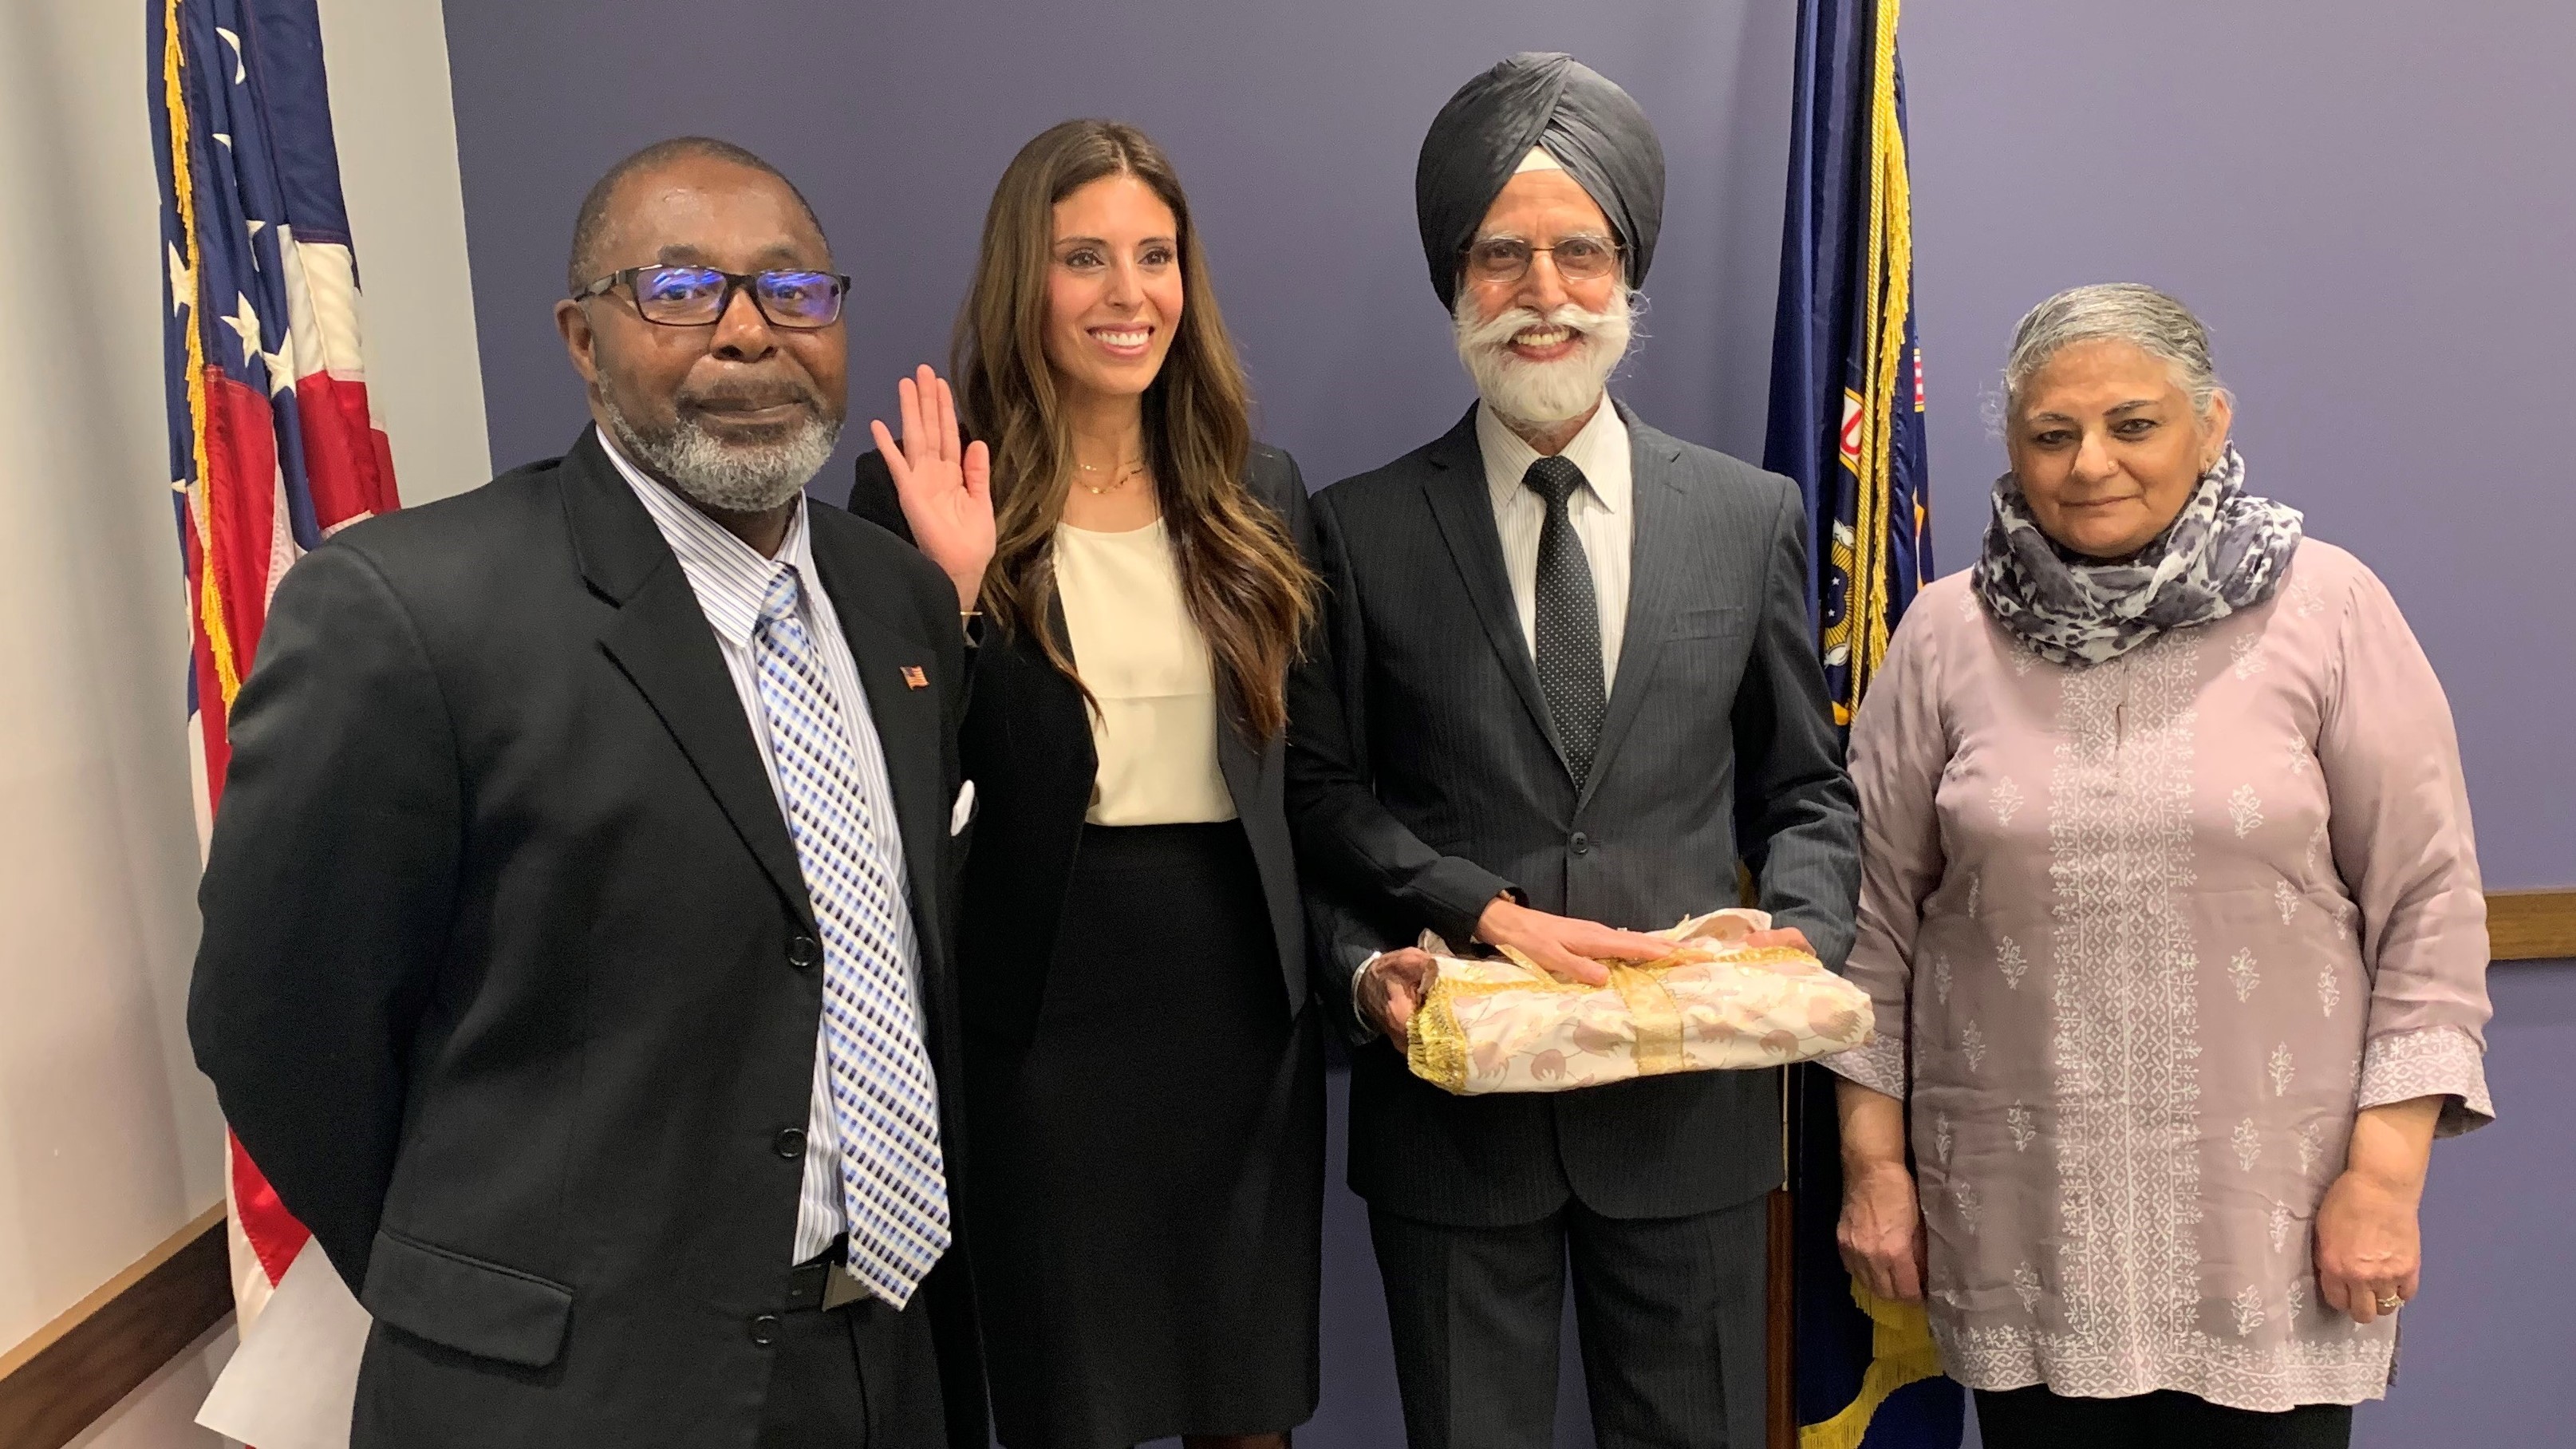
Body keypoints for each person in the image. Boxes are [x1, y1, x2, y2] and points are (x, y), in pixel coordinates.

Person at [187, 136, 996, 1448]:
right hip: (567, 1397)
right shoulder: (409, 617)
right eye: (679, 292)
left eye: (792, 293)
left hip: (883, 1359)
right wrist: (485, 1282)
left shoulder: (896, 597)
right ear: (580, 337)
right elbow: (275, 1025)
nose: (748, 335)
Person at [1284, 53, 1861, 1449]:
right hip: (1455, 1124)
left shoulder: (1747, 513)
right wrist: (1404, 951)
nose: (1543, 291)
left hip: (1694, 1120)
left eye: (1579, 253)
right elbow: (1316, 790)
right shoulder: (1355, 528)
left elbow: (1806, 791)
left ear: (1627, 277)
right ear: (1454, 286)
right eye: (1501, 257)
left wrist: (1791, 946)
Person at [1828, 283, 2495, 1449]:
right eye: (2052, 433)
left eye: (2132, 424)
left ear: (2211, 423)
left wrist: (2384, 1182)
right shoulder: (1943, 635)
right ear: (2015, 447)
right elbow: (1873, 926)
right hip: (2023, 1232)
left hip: (2272, 1243)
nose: (2090, 464)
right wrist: (1872, 1166)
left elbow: (2427, 910)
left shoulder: (2328, 607)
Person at [846, 119, 1323, 1449]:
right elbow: (875, 787)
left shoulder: (1254, 490)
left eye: (1155, 256)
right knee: (1071, 1405)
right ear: (1024, 277)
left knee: (1245, 1409)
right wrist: (943, 598)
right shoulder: (927, 496)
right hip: (1039, 1012)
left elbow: (1313, 779)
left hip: (1237, 1011)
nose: (1128, 295)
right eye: (1084, 258)